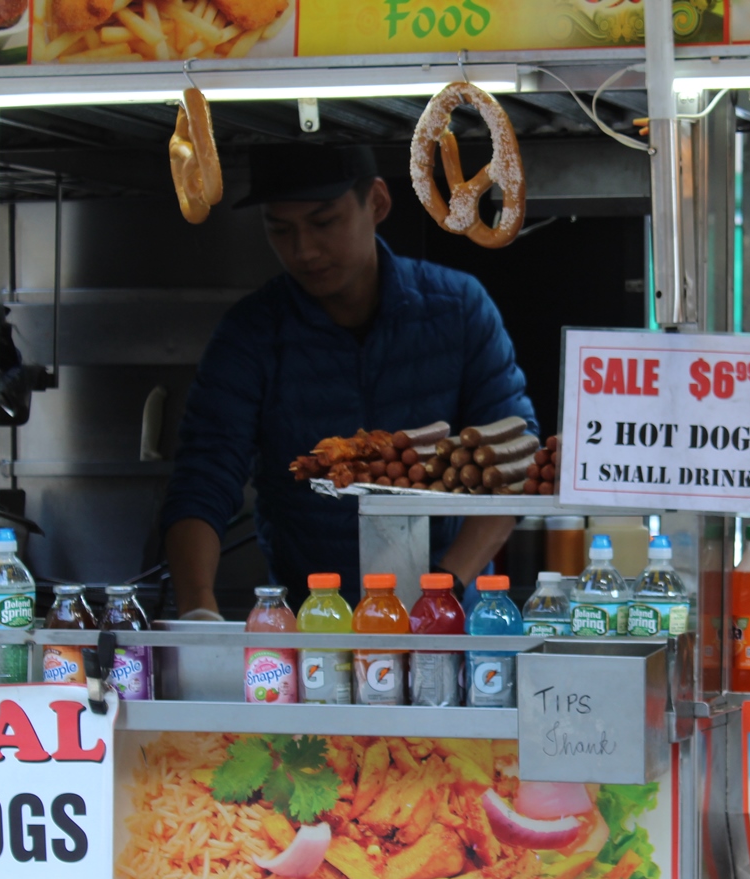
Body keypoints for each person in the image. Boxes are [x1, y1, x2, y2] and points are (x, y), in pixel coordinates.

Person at [162, 144, 536, 615]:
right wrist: (198, 608)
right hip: (314, 616)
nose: (304, 250)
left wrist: (443, 589)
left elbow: (515, 457)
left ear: (376, 204)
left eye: (323, 223)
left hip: (452, 613)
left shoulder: (458, 308)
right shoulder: (252, 334)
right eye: (280, 228)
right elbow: (205, 474)